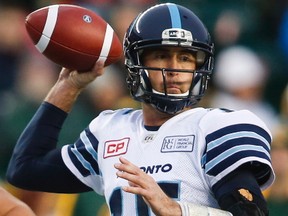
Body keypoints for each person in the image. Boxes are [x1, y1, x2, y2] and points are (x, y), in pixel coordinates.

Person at [6, 3, 274, 216]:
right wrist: (68, 87)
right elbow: (25, 169)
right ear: (136, 65)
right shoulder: (110, 130)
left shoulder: (215, 128)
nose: (175, 69)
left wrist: (176, 210)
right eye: (161, 55)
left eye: (185, 58)